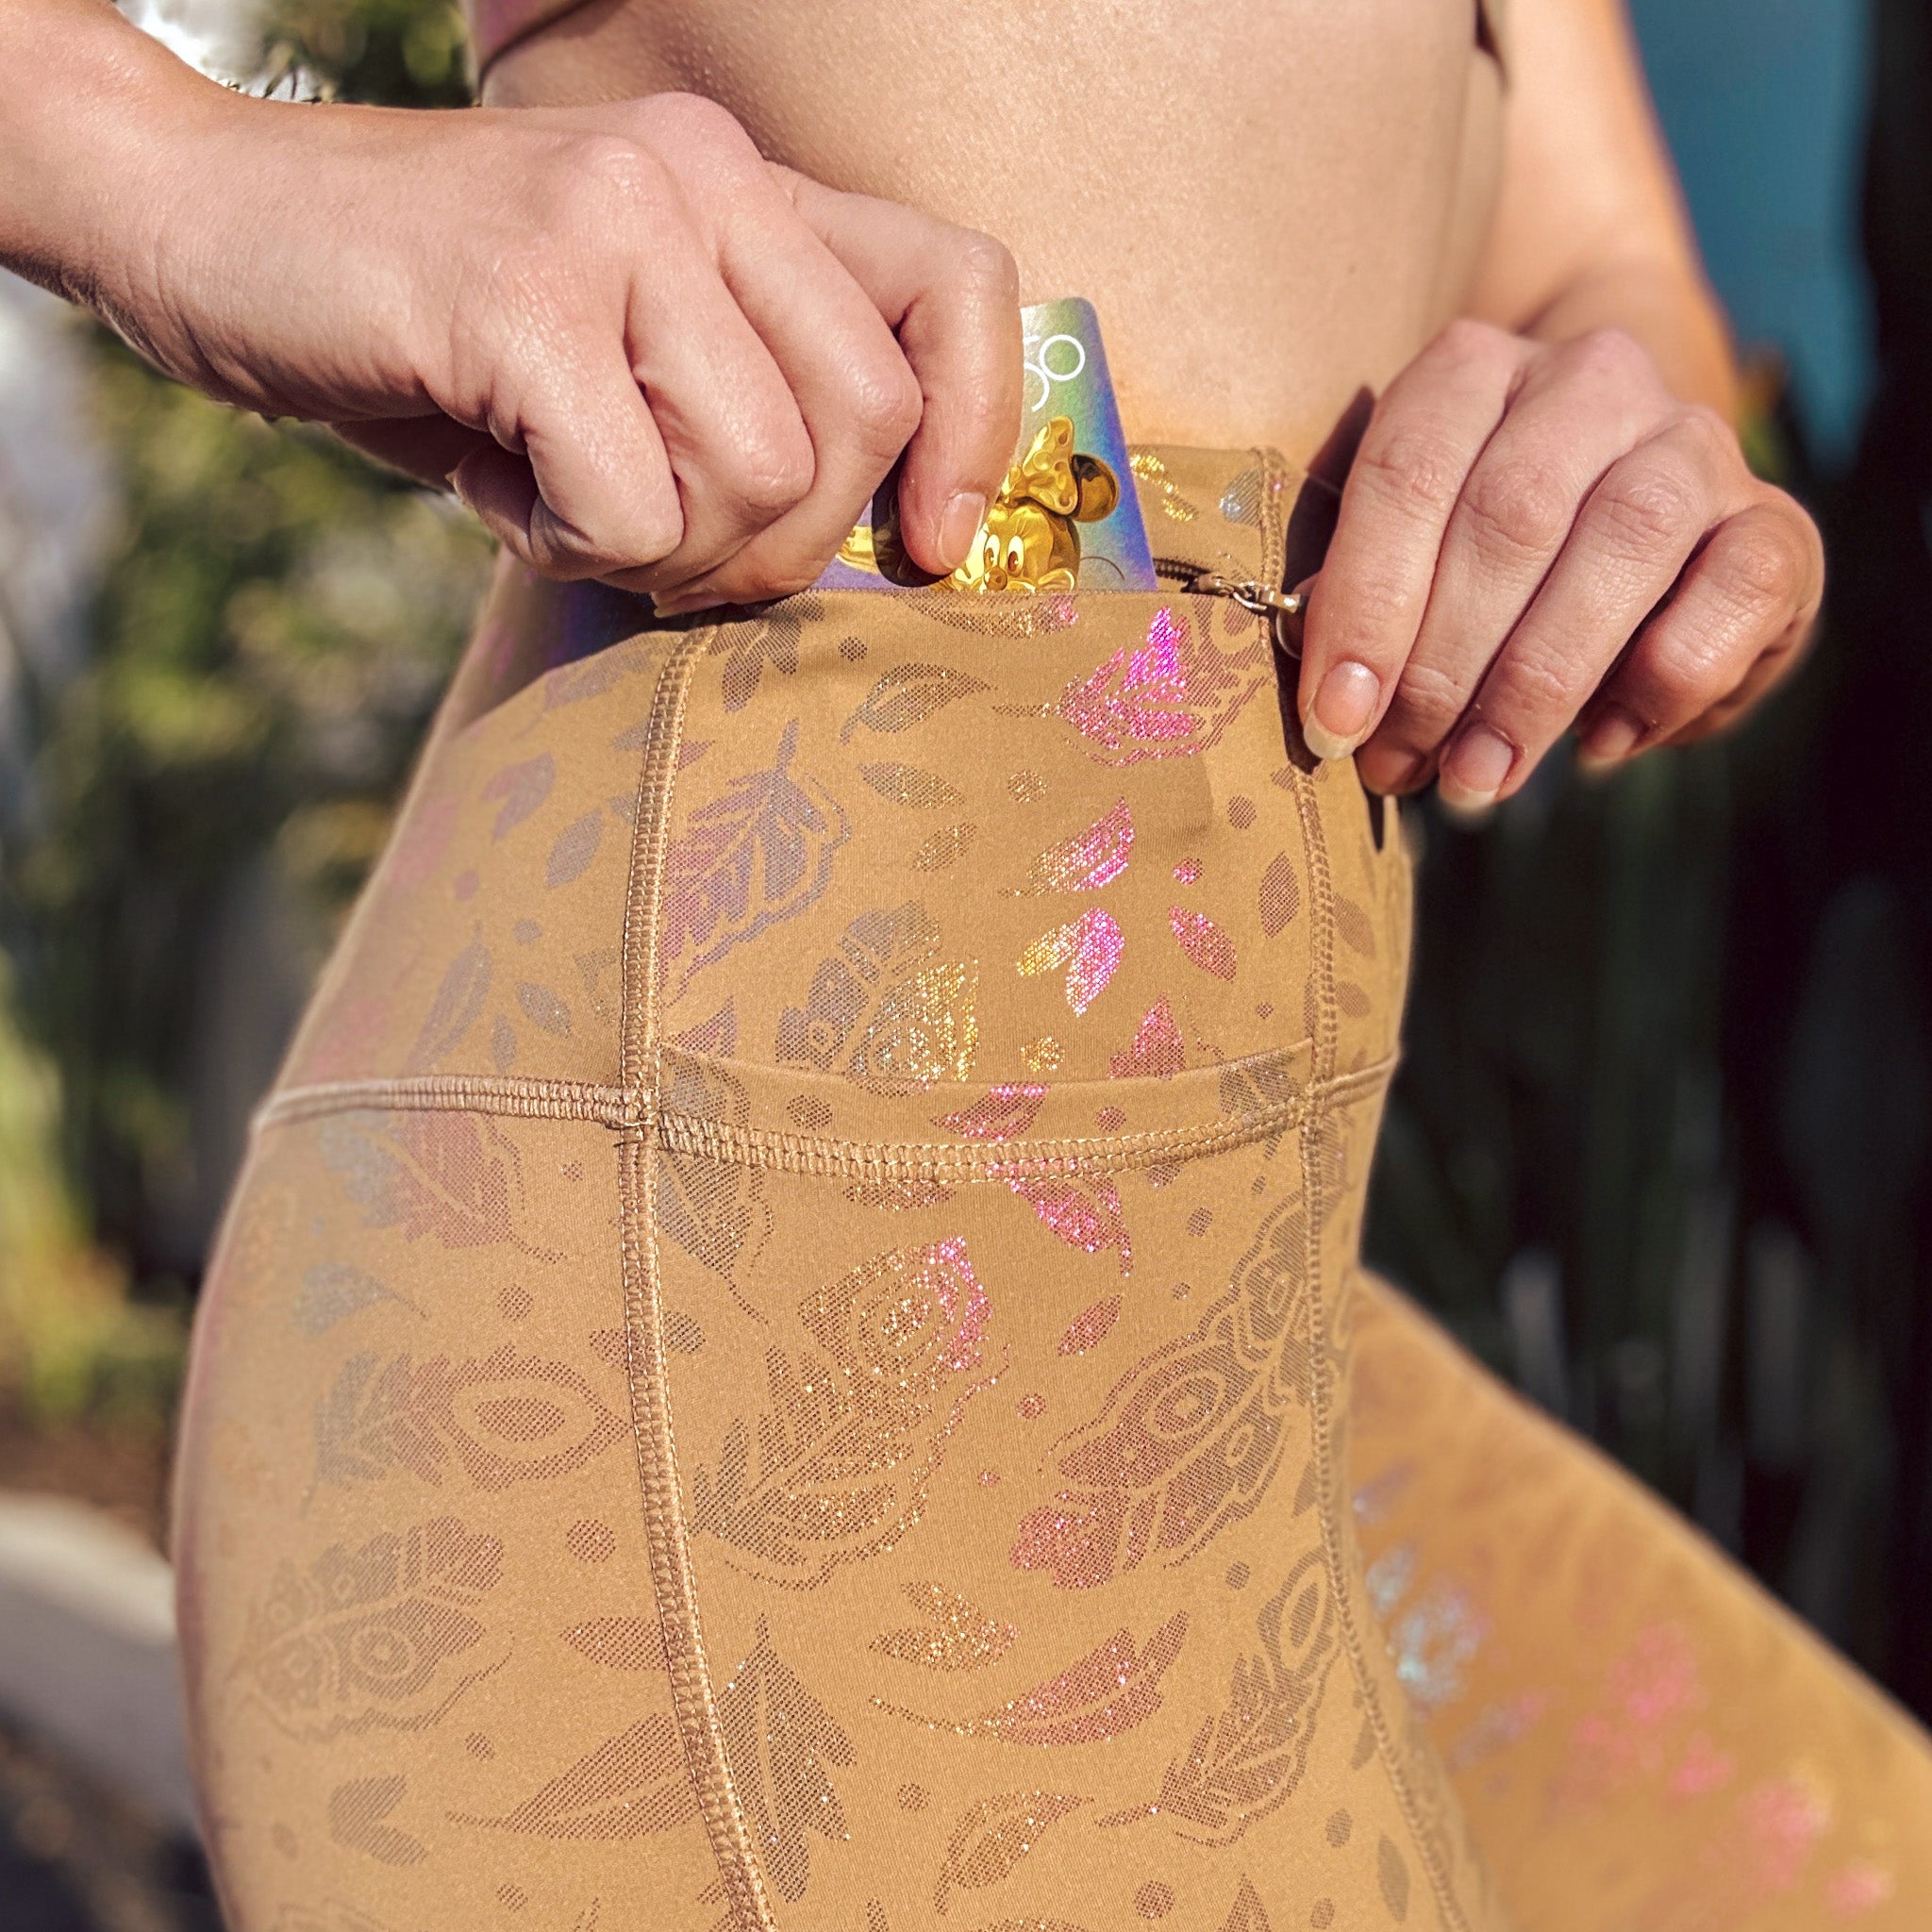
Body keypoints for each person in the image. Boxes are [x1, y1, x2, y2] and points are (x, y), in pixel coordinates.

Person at [7, 1, 1926, 1927]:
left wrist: (1630, 436)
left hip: (1218, 1304)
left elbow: (1600, 270)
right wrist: (177, 171)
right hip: (742, 1289)